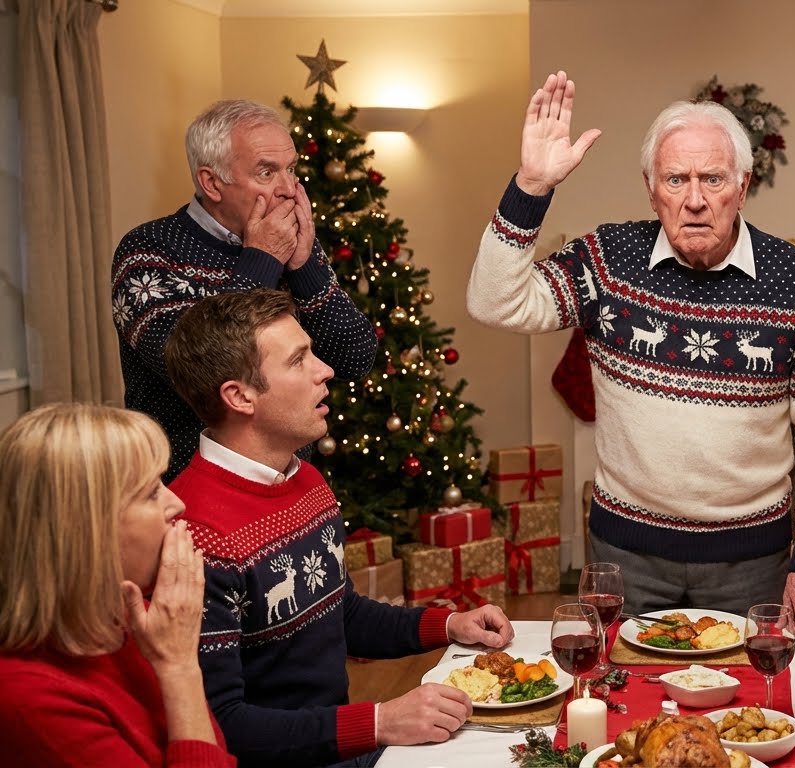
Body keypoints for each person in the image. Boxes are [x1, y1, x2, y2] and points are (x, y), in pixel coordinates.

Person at [467, 72, 795, 636]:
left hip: (752, 566)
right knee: (625, 712)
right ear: (652, 190)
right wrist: (530, 187)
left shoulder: (793, 279)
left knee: (752, 713)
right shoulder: (608, 260)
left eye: (712, 178)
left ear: (742, 186)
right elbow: (493, 302)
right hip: (625, 561)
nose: (694, 199)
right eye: (676, 179)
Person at [162, 289, 514, 768]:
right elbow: (219, 724)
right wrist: (378, 723)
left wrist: (447, 624)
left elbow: (338, 613)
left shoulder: (304, 479)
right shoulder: (194, 534)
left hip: (337, 748)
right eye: (298, 360)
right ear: (240, 396)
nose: (324, 370)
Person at [113, 99, 376, 481]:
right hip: (185, 490)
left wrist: (304, 269)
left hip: (287, 480)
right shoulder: (148, 251)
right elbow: (203, 370)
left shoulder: (289, 243)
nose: (289, 189)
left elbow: (354, 359)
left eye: (291, 169)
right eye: (267, 172)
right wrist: (263, 259)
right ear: (211, 183)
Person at [0, 403, 234, 767]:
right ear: (86, 529)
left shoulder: (123, 613)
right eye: (151, 493)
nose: (178, 503)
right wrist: (179, 667)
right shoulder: (26, 698)